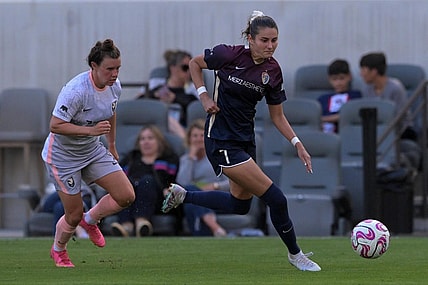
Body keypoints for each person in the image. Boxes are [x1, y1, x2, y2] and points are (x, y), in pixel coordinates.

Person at [162, 11, 321, 271]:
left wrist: (297, 143)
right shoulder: (229, 55)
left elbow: (277, 117)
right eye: (264, 40)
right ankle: (296, 255)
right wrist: (203, 97)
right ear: (250, 39)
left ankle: (184, 196)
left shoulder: (273, 71)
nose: (270, 46)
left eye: (275, 41)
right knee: (277, 199)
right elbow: (194, 63)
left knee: (240, 205)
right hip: (220, 140)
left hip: (245, 140)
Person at [41, 39, 135, 268]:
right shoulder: (76, 91)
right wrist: (90, 131)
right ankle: (59, 250)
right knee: (72, 215)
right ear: (94, 66)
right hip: (63, 157)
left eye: (118, 68)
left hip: (92, 150)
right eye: (109, 69)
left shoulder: (115, 86)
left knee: (126, 196)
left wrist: (111, 144)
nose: (114, 74)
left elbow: (111, 112)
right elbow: (55, 125)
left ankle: (91, 220)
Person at [110, 125, 181, 237]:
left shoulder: (169, 159)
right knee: (127, 185)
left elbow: (175, 179)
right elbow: (118, 177)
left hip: (159, 199)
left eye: (150, 138)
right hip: (131, 197)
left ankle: (141, 222)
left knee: (146, 181)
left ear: (159, 141)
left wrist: (169, 189)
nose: (146, 142)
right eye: (142, 139)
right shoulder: (131, 158)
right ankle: (126, 226)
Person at [176, 119, 227, 237]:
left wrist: (215, 186)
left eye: (201, 135)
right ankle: (215, 228)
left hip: (216, 196)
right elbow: (182, 183)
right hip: (195, 198)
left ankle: (210, 230)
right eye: (194, 136)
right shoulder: (185, 159)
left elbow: (232, 183)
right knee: (190, 195)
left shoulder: (218, 157)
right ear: (189, 139)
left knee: (191, 196)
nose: (198, 139)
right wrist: (191, 157)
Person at [359, 52, 417, 141]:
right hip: (377, 127)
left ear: (374, 71)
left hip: (401, 129)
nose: (361, 74)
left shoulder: (395, 88)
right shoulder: (366, 89)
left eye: (363, 70)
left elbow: (400, 116)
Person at [147, 49, 198, 128]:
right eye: (185, 67)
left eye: (191, 68)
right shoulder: (157, 90)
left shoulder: (192, 91)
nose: (189, 72)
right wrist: (155, 96)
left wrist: (174, 98)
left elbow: (195, 107)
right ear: (173, 68)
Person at [317, 59, 361, 133]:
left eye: (342, 78)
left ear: (350, 76)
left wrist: (324, 119)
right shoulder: (323, 99)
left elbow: (349, 115)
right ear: (329, 79)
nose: (338, 83)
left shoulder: (355, 96)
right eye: (334, 79)